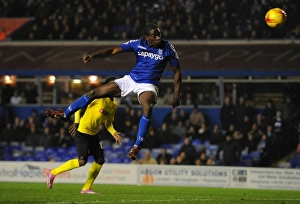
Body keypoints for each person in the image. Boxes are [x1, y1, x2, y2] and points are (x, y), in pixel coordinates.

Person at [46, 23, 182, 161]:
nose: (158, 38)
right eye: (154, 35)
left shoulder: (168, 47)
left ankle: (136, 146)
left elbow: (177, 71)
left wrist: (176, 95)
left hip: (149, 84)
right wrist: (93, 56)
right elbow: (113, 51)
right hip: (131, 79)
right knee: (94, 93)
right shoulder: (137, 43)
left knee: (148, 107)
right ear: (147, 37)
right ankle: (64, 114)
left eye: (159, 34)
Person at [46, 77, 123, 194]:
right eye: (116, 85)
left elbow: (108, 123)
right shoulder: (97, 97)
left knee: (100, 160)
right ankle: (52, 173)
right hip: (82, 133)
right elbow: (79, 106)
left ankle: (86, 188)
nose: (119, 88)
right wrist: (76, 122)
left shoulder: (114, 105)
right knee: (82, 162)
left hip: (94, 135)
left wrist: (114, 133)